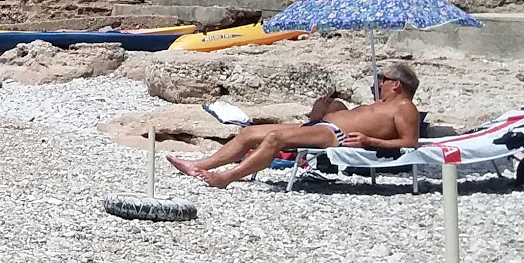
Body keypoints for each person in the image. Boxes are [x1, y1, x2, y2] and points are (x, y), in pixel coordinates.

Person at [168, 61, 423, 189]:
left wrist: (370, 141)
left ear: (397, 84)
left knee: (274, 139)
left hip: (337, 137)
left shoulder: (404, 108)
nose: (380, 82)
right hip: (321, 126)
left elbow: (410, 142)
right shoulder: (384, 102)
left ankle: (225, 178)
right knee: (249, 132)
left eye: (384, 79)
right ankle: (198, 166)